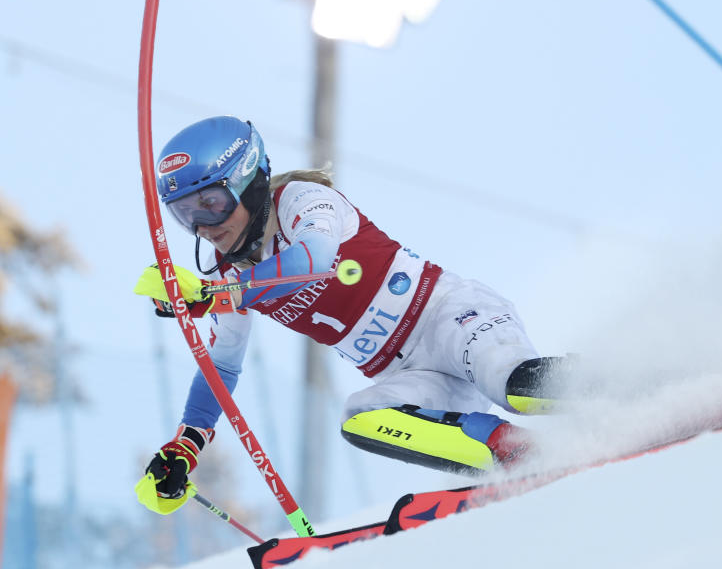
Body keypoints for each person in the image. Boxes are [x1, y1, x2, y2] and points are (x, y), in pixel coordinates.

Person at [135, 115, 567, 508]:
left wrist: (219, 293)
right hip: (409, 375)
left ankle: (621, 389)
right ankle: (520, 454)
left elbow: (315, 259)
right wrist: (185, 445)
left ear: (247, 181)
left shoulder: (300, 200)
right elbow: (222, 369)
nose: (204, 227)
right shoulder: (229, 274)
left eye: (211, 203)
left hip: (450, 319)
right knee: (361, 419)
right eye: (185, 214)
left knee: (517, 388)